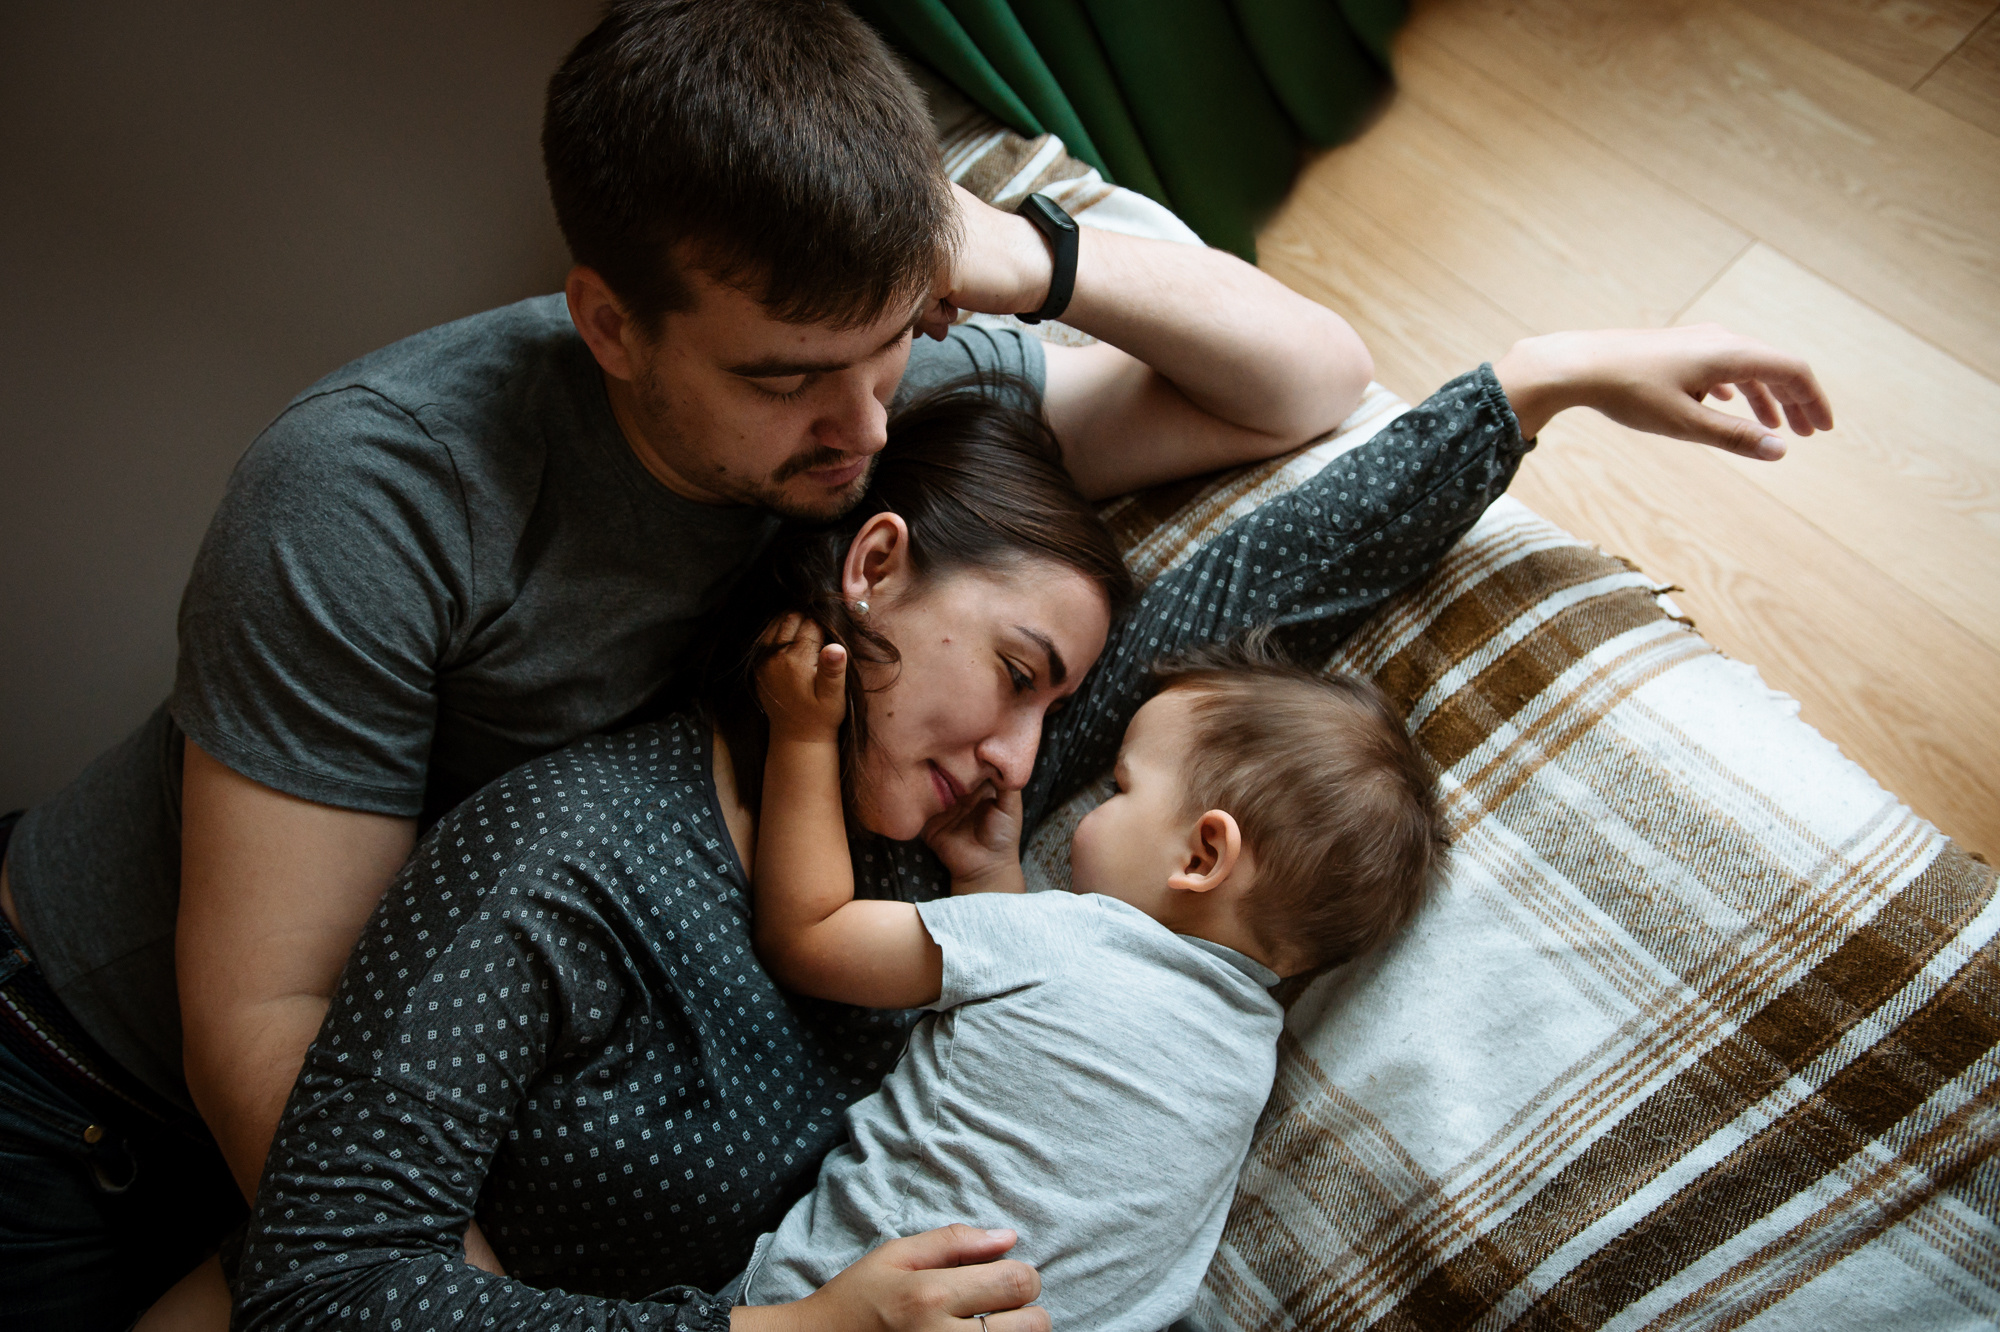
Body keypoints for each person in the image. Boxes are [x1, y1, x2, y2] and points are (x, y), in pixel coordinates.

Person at [0, 1, 1376, 1325]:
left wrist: (1028, 259)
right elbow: (272, 1025)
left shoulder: (889, 404)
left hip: (434, 1076)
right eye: (783, 379)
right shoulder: (372, 494)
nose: (856, 431)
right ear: (608, 324)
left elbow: (1310, 382)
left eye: (892, 340)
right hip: (85, 1088)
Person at [230, 326, 1833, 1332]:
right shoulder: (561, 858)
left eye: (1060, 706)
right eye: (1013, 676)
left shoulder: (995, 846)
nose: (1026, 758)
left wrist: (1535, 387)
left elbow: (1264, 605)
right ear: (867, 576)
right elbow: (321, 1290)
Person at [734, 621, 1442, 1330]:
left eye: (1119, 787)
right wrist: (985, 874)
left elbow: (809, 937)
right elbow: (1025, 1051)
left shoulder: (1067, 936)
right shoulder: (1248, 1065)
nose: (1095, 805)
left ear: (1202, 857)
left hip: (831, 1304)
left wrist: (801, 735)